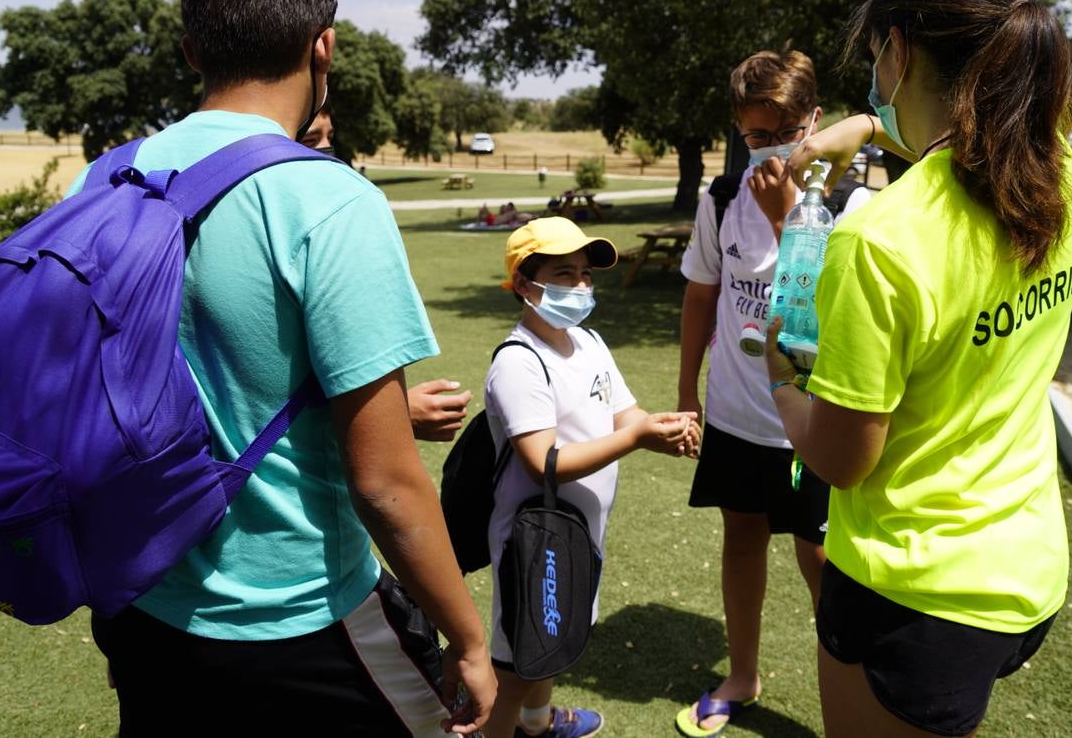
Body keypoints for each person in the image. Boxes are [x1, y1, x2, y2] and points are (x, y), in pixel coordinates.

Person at [83, 0, 494, 735]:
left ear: (193, 49)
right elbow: (383, 483)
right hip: (296, 617)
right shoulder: (329, 200)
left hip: (140, 600)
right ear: (325, 47)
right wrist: (471, 640)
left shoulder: (109, 176)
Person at [767, 0, 1072, 737]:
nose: (874, 76)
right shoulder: (1059, 177)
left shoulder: (881, 241)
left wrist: (779, 378)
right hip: (1021, 567)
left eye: (876, 53)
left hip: (909, 591)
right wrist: (867, 133)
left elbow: (842, 461)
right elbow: (969, 151)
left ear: (899, 53)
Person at [675, 48, 870, 737]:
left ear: (813, 120)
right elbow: (703, 296)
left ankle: (850, 698)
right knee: (741, 539)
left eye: (783, 131)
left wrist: (791, 214)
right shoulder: (722, 199)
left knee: (820, 558)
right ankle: (743, 673)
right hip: (735, 413)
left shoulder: (854, 207)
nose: (768, 149)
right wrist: (687, 392)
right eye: (753, 136)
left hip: (811, 423)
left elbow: (829, 309)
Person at [482, 218, 699, 738]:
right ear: (522, 285)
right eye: (563, 273)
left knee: (555, 634)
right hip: (534, 537)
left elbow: (623, 413)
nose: (580, 285)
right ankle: (500, 727)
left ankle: (537, 724)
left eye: (584, 273)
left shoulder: (589, 342)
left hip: (578, 530)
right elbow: (544, 460)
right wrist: (637, 438)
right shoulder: (520, 362)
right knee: (517, 658)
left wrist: (660, 427)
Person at [298, 102, 472, 441]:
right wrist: (399, 413)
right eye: (310, 141)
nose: (325, 152)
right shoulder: (346, 212)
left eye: (329, 138)